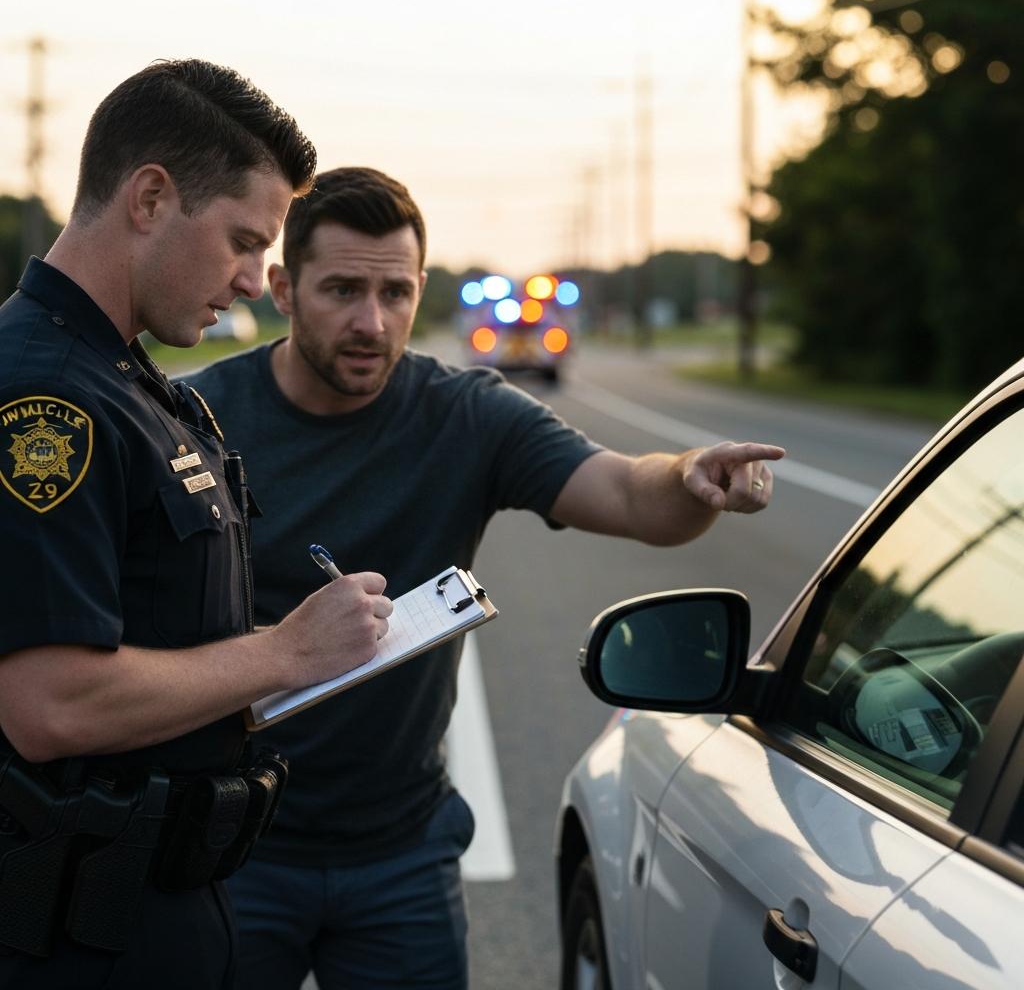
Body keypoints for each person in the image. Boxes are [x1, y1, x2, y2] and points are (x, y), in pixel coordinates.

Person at [185, 166, 785, 990]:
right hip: (231, 848)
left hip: (401, 852)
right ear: (284, 290)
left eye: (395, 294)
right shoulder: (197, 419)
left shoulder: (465, 415)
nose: (371, 321)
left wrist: (689, 476)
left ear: (421, 290)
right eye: (343, 290)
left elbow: (625, 492)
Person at [0, 65, 393, 990]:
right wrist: (287, 653)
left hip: (151, 903)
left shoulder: (127, 384)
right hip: (75, 938)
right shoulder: (45, 397)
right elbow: (50, 705)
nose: (257, 281)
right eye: (244, 241)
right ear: (149, 198)